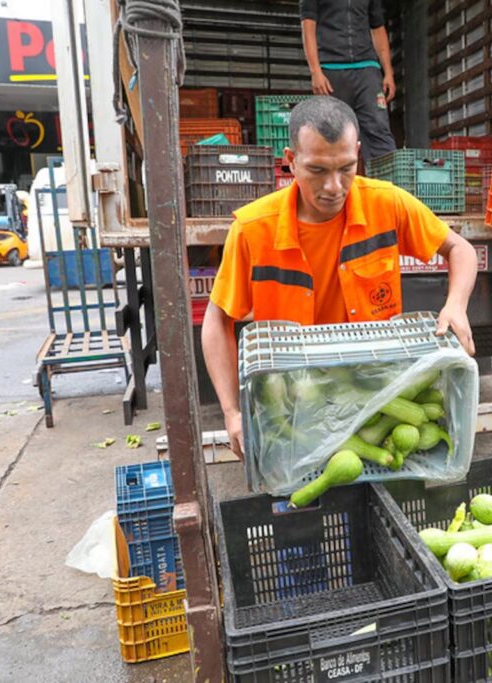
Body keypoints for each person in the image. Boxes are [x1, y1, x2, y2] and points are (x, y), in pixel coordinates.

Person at [202, 96, 477, 457]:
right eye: (317, 170)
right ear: (291, 161)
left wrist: (456, 305)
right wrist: (232, 412)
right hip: (294, 404)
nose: (334, 187)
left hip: (377, 394)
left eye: (346, 168)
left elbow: (461, 249)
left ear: (358, 154)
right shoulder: (253, 230)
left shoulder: (387, 203)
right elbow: (217, 319)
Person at [299, 0, 397, 165]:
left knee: (379, 131)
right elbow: (308, 27)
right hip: (330, 70)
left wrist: (388, 72)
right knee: (330, 134)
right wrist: (316, 71)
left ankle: (386, 188)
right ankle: (333, 188)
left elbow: (378, 28)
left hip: (367, 69)